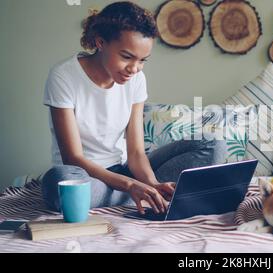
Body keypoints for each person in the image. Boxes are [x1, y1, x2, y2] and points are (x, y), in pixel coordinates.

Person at [41, 1, 226, 215]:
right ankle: (134, 196)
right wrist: (130, 186)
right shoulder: (64, 76)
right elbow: (73, 157)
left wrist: (152, 183)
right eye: (126, 57)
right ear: (100, 42)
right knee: (59, 181)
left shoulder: (137, 79)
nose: (134, 69)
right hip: (85, 176)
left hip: (125, 169)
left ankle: (144, 194)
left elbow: (137, 152)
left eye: (142, 60)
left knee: (213, 144)